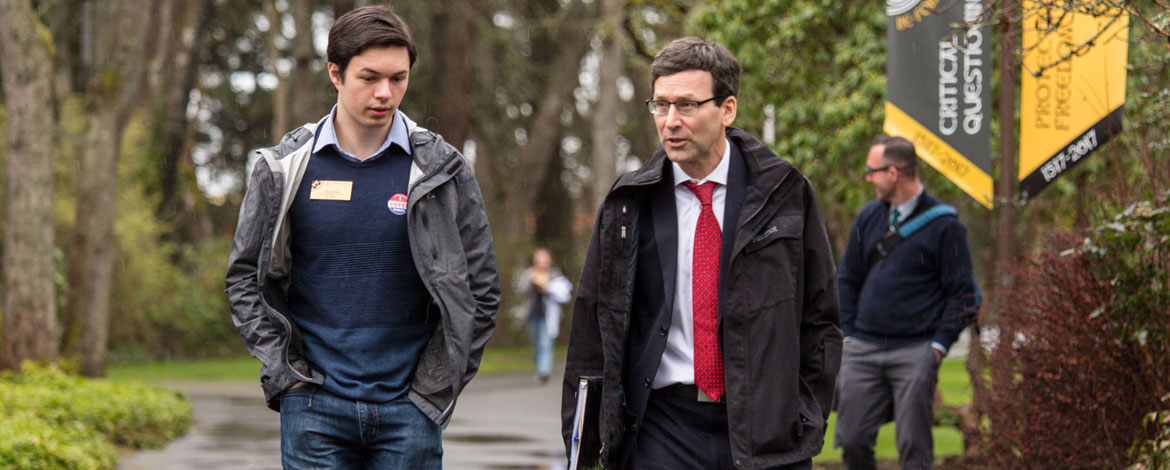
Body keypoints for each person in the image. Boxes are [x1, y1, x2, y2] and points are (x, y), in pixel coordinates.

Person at [224, 6, 499, 469]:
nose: (385, 93)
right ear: (335, 72)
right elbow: (245, 282)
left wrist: (432, 388)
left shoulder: (442, 169)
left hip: (409, 412)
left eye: (398, 78)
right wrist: (286, 377)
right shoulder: (283, 168)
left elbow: (482, 291)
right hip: (313, 408)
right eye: (369, 77)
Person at [561, 37, 842, 470]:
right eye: (661, 105)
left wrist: (805, 414)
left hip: (765, 430)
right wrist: (583, 441)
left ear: (727, 109)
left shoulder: (784, 193)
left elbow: (819, 315)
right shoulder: (628, 203)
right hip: (661, 427)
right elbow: (594, 325)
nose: (671, 121)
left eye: (687, 105)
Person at [834, 135, 977, 470]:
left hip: (915, 351)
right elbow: (847, 278)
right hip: (863, 349)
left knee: (914, 448)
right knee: (852, 439)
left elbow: (964, 294)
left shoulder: (945, 226)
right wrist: (849, 335)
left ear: (894, 172)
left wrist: (938, 346)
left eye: (872, 172)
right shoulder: (869, 217)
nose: (869, 178)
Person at [519, 248, 572, 385]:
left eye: (544, 260)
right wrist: (531, 280)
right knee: (536, 345)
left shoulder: (555, 275)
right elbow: (521, 290)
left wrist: (548, 288)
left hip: (548, 316)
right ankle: (539, 369)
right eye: (538, 260)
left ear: (549, 261)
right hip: (533, 314)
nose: (541, 263)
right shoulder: (529, 273)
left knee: (545, 344)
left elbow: (564, 295)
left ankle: (544, 372)